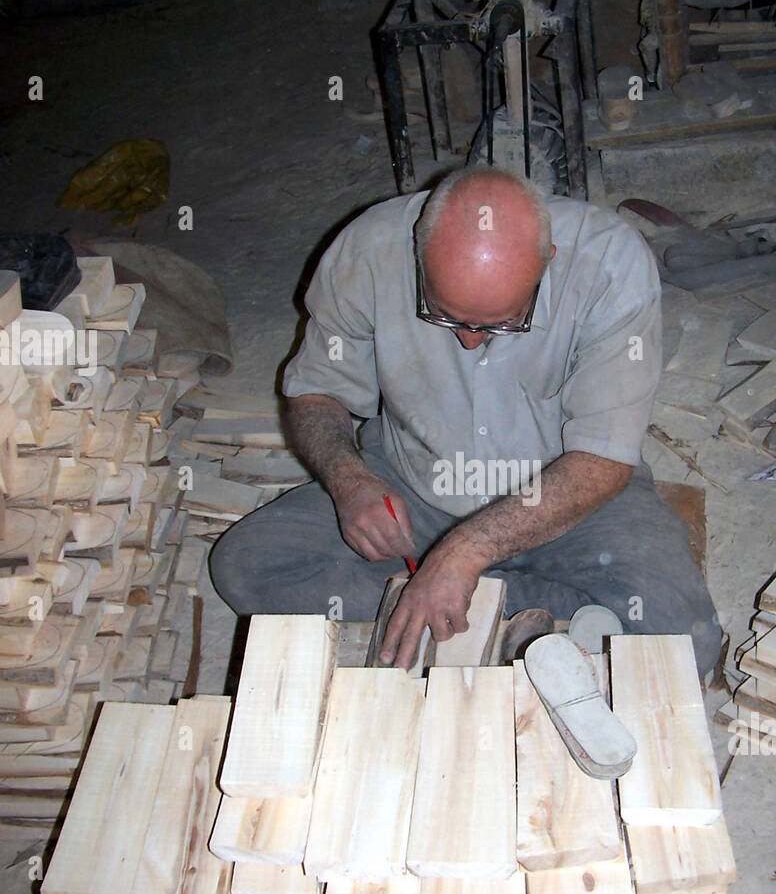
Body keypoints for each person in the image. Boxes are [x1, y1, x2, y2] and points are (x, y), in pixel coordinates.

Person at [209, 165, 722, 675]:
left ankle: (458, 598)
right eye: (444, 314)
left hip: (566, 490)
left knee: (682, 639)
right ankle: (522, 609)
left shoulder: (609, 262)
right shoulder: (367, 253)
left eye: (502, 322)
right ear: (418, 255)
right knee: (245, 567)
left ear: (548, 262)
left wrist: (465, 552)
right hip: (414, 484)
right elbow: (316, 392)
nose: (470, 340)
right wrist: (349, 482)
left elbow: (602, 462)